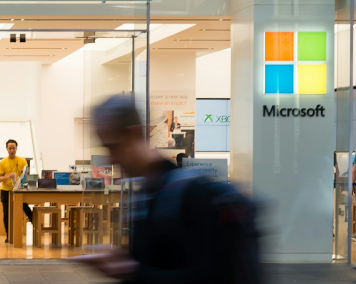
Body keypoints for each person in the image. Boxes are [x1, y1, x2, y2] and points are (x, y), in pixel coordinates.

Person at [77, 95, 262, 284]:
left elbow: (204, 275)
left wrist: (129, 271)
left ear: (134, 134)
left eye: (113, 147)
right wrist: (125, 267)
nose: (110, 159)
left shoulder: (188, 194)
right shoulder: (148, 193)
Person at [0, 138, 32, 242]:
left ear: (16, 149)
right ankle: (9, 236)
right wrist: (8, 176)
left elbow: (26, 176)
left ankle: (37, 226)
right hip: (6, 190)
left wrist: (25, 173)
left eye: (14, 148)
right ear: (7, 149)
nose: (12, 150)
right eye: (10, 148)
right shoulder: (3, 162)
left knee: (26, 208)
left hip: (19, 190)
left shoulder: (22, 160)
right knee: (7, 213)